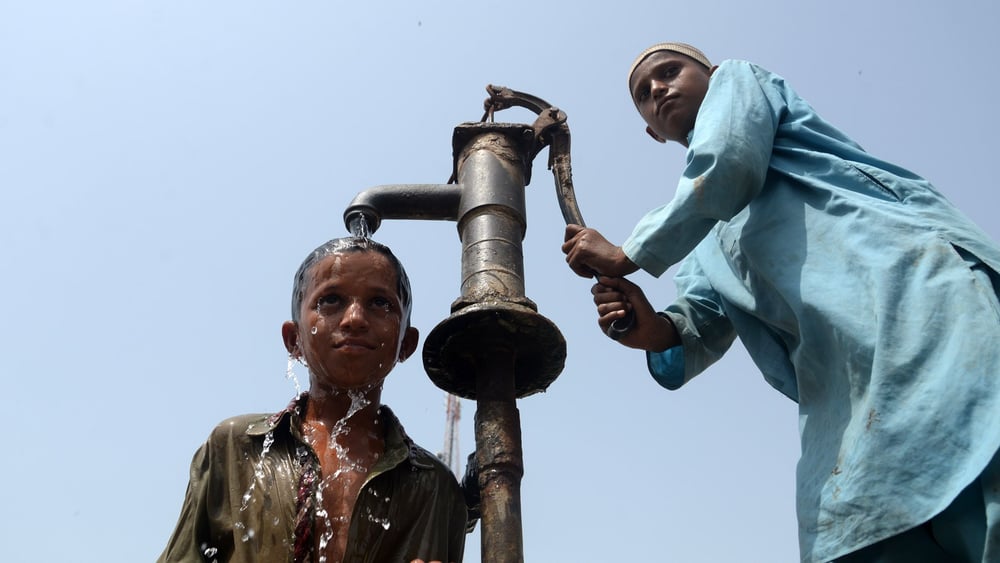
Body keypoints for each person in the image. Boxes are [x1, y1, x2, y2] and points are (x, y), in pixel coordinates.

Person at [562, 42, 1000, 562]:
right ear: (653, 131)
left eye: (670, 71)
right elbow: (698, 321)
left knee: (981, 482)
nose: (657, 88)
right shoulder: (704, 236)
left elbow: (729, 159)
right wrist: (649, 326)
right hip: (842, 393)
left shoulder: (743, 83)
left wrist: (627, 254)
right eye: (643, 92)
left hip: (922, 303)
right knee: (863, 530)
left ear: (712, 75)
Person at [158, 237, 469, 563]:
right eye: (331, 300)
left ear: (406, 343)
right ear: (295, 341)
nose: (354, 318)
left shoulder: (435, 487)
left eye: (380, 303)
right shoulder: (237, 447)